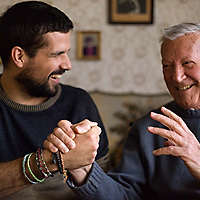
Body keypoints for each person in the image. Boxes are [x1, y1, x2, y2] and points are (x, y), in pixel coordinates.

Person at [46, 23, 200, 199]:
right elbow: (125, 195)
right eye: (167, 66)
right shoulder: (148, 128)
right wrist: (83, 170)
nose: (176, 77)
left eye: (187, 63)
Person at [0, 1, 109, 200]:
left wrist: (83, 167)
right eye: (57, 54)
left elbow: (109, 190)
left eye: (66, 53)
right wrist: (50, 161)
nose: (67, 65)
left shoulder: (79, 102)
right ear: (19, 56)